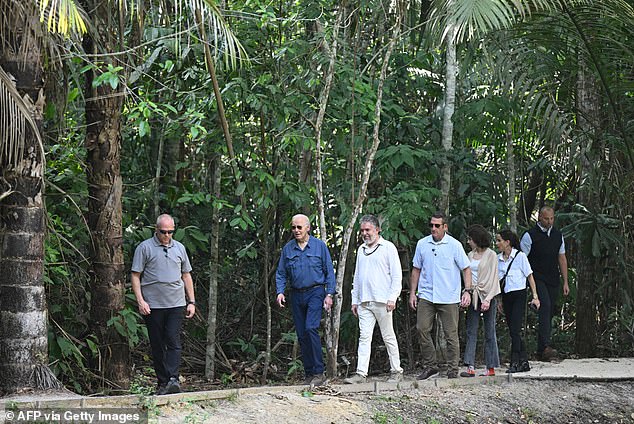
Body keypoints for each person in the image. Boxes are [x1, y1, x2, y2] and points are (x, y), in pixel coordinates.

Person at [131, 214, 196, 395]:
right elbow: (135, 275)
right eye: (163, 232)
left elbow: (186, 275)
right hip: (153, 305)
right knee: (157, 343)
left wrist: (191, 301)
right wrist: (140, 301)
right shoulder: (144, 248)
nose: (167, 235)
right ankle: (163, 382)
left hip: (176, 303)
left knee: (173, 340)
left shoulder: (180, 248)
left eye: (170, 232)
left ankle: (173, 379)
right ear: (156, 229)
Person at [409, 212, 473, 379]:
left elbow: (466, 269)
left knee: (451, 334)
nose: (433, 228)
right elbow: (416, 269)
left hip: (449, 296)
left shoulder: (454, 245)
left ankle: (452, 370)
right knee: (422, 328)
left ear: (445, 227)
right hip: (427, 295)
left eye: (437, 225)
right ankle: (430, 365)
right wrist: (412, 293)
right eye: (431, 225)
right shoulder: (422, 244)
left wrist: (468, 290)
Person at [275, 214, 336, 387]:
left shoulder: (319, 247)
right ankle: (309, 373)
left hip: (316, 292)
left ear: (308, 228)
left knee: (311, 329)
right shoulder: (288, 249)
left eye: (299, 227)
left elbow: (329, 271)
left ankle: (319, 371)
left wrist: (329, 294)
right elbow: (281, 273)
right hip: (296, 294)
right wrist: (280, 292)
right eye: (293, 227)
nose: (296, 231)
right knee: (301, 334)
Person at [344, 215, 404, 384]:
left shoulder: (388, 248)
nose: (365, 233)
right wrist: (354, 300)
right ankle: (361, 374)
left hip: (383, 301)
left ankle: (396, 370)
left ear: (377, 230)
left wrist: (393, 297)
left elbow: (396, 275)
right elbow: (357, 277)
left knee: (388, 336)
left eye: (368, 230)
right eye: (362, 230)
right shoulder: (361, 250)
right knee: (364, 338)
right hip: (364, 301)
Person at [520, 206, 569, 362]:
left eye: (552, 218)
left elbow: (562, 258)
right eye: (547, 218)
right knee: (545, 305)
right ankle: (545, 346)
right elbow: (522, 260)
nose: (550, 221)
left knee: (549, 310)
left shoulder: (558, 235)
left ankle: (542, 348)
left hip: (552, 277)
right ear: (540, 218)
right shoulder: (529, 236)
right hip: (536, 277)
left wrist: (565, 281)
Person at [496, 229, 540, 373]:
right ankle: (524, 361)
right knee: (512, 330)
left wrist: (535, 296)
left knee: (515, 329)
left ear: (507, 242)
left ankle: (514, 361)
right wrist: (499, 300)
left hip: (519, 295)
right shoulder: (498, 259)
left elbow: (530, 276)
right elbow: (499, 282)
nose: (497, 243)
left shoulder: (520, 257)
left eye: (499, 240)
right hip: (506, 296)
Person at [460, 224, 501, 378]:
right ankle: (470, 365)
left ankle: (490, 366)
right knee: (471, 330)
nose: (468, 242)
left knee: (490, 331)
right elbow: (467, 275)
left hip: (487, 294)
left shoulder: (491, 255)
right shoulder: (469, 255)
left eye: (470, 239)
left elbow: (494, 278)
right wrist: (467, 291)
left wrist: (489, 299)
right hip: (473, 294)